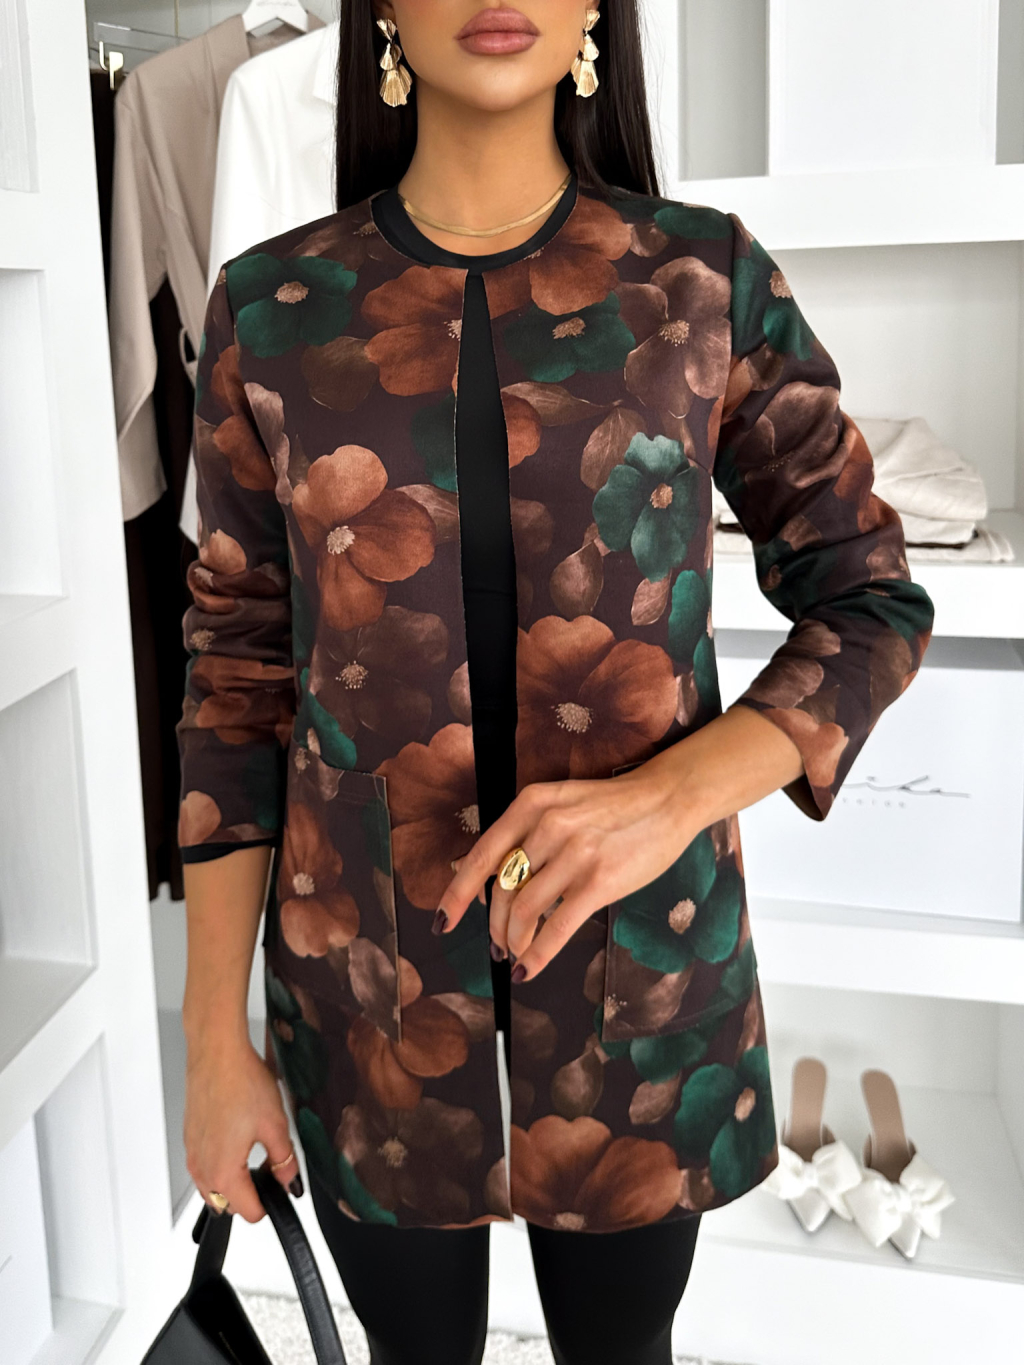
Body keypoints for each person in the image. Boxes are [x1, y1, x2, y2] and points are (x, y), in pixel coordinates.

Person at [176, 4, 936, 1363]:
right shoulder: (271, 312)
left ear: (595, 11)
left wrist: (670, 799)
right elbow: (235, 679)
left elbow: (869, 593)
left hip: (647, 992)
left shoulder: (698, 283)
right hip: (365, 1000)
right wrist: (212, 1041)